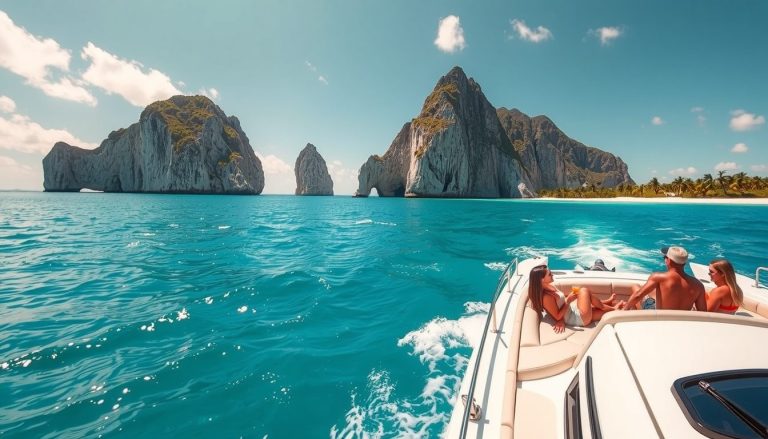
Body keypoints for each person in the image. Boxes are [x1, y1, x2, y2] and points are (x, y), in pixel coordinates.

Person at [528, 264, 617, 333]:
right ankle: (613, 308)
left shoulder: (548, 286)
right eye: (549, 274)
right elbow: (557, 316)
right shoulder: (546, 297)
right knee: (584, 291)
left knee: (605, 312)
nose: (552, 274)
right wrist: (568, 300)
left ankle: (608, 304)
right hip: (575, 318)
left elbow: (558, 304)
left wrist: (568, 300)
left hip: (572, 311)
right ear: (542, 280)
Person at [619, 246, 707, 311]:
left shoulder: (658, 277)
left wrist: (624, 310)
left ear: (668, 261)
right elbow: (703, 312)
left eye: (665, 257)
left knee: (635, 288)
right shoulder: (698, 285)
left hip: (659, 318)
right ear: (684, 263)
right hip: (682, 321)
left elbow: (638, 296)